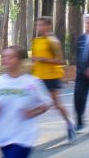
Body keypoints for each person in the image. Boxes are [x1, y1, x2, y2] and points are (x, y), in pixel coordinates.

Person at [30, 16, 76, 144]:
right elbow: (34, 60)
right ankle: (26, 133)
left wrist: (43, 60)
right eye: (37, 25)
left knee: (56, 104)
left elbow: (61, 61)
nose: (38, 28)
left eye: (41, 25)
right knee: (31, 104)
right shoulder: (36, 41)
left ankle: (70, 124)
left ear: (48, 26)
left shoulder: (53, 41)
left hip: (51, 77)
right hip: (37, 78)